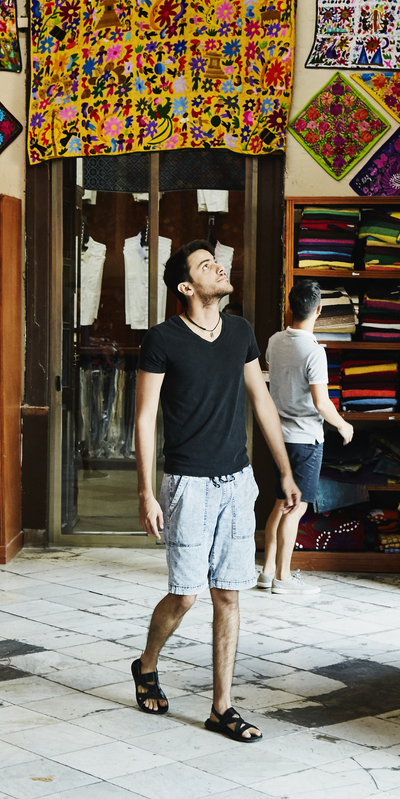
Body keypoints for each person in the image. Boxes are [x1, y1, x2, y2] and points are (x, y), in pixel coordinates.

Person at [130, 240, 300, 744]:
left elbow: (263, 404)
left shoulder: (241, 331)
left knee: (229, 593)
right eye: (206, 265)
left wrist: (285, 472)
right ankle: (146, 663)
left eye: (216, 261)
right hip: (187, 483)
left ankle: (221, 706)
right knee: (185, 597)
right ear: (186, 287)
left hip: (236, 480)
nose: (219, 267)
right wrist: (146, 492)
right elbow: (143, 419)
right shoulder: (161, 340)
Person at [259, 280, 353, 595]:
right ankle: (283, 579)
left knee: (280, 504)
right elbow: (321, 402)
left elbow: (275, 377)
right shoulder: (314, 351)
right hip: (305, 439)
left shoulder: (274, 341)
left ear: (290, 307)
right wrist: (342, 424)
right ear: (319, 311)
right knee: (295, 508)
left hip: (278, 436)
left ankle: (267, 570)